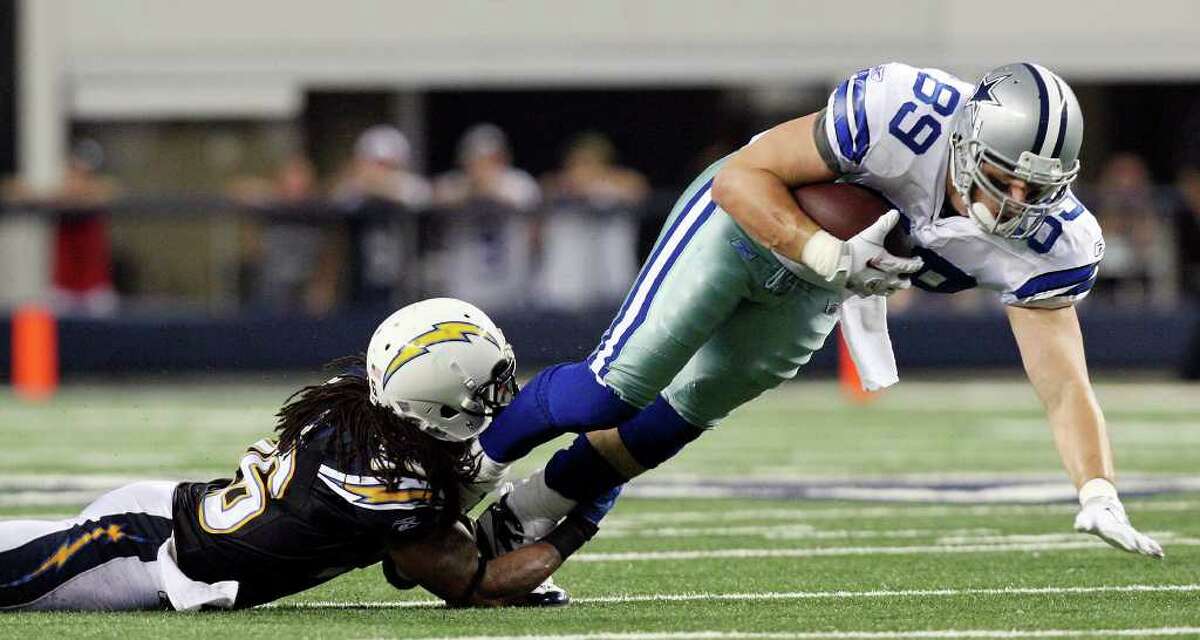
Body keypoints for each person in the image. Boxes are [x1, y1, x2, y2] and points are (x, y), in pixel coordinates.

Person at [469, 62, 1165, 567]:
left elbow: (1065, 383)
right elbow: (741, 176)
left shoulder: (1054, 242)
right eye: (1004, 174)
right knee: (611, 390)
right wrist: (823, 250)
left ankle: (521, 515)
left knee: (671, 423)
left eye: (1034, 187)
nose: (1015, 200)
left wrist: (1098, 487)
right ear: (965, 138)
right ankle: (463, 467)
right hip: (742, 229)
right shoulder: (900, 111)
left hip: (824, 289)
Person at [0, 298, 601, 611]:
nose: (503, 393)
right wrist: (586, 513)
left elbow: (409, 553)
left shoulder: (372, 423)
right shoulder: (381, 476)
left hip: (168, 517)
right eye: (488, 382)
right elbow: (473, 585)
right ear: (432, 399)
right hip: (144, 551)